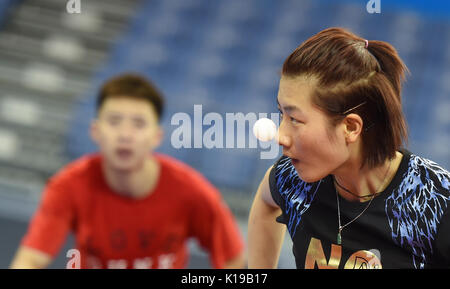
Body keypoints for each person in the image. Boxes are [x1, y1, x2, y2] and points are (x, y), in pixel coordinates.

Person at [248, 27, 450, 269]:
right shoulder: (292, 180)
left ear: (351, 127)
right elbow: (265, 201)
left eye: (295, 120)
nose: (280, 136)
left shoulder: (436, 200)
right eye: (282, 113)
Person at [10, 74, 245, 269]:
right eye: (114, 121)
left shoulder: (193, 192)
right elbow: (30, 259)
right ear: (95, 131)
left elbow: (233, 259)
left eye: (139, 123)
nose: (125, 135)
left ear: (157, 136)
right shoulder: (67, 186)